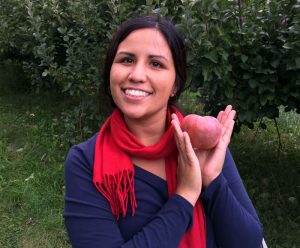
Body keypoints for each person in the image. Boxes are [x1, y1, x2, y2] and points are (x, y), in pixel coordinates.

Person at [64, 16, 264, 248]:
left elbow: (249, 243)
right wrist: (186, 195)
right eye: (127, 60)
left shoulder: (200, 142)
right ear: (110, 71)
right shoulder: (86, 162)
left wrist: (213, 181)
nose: (137, 75)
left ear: (175, 86)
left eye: (156, 64)